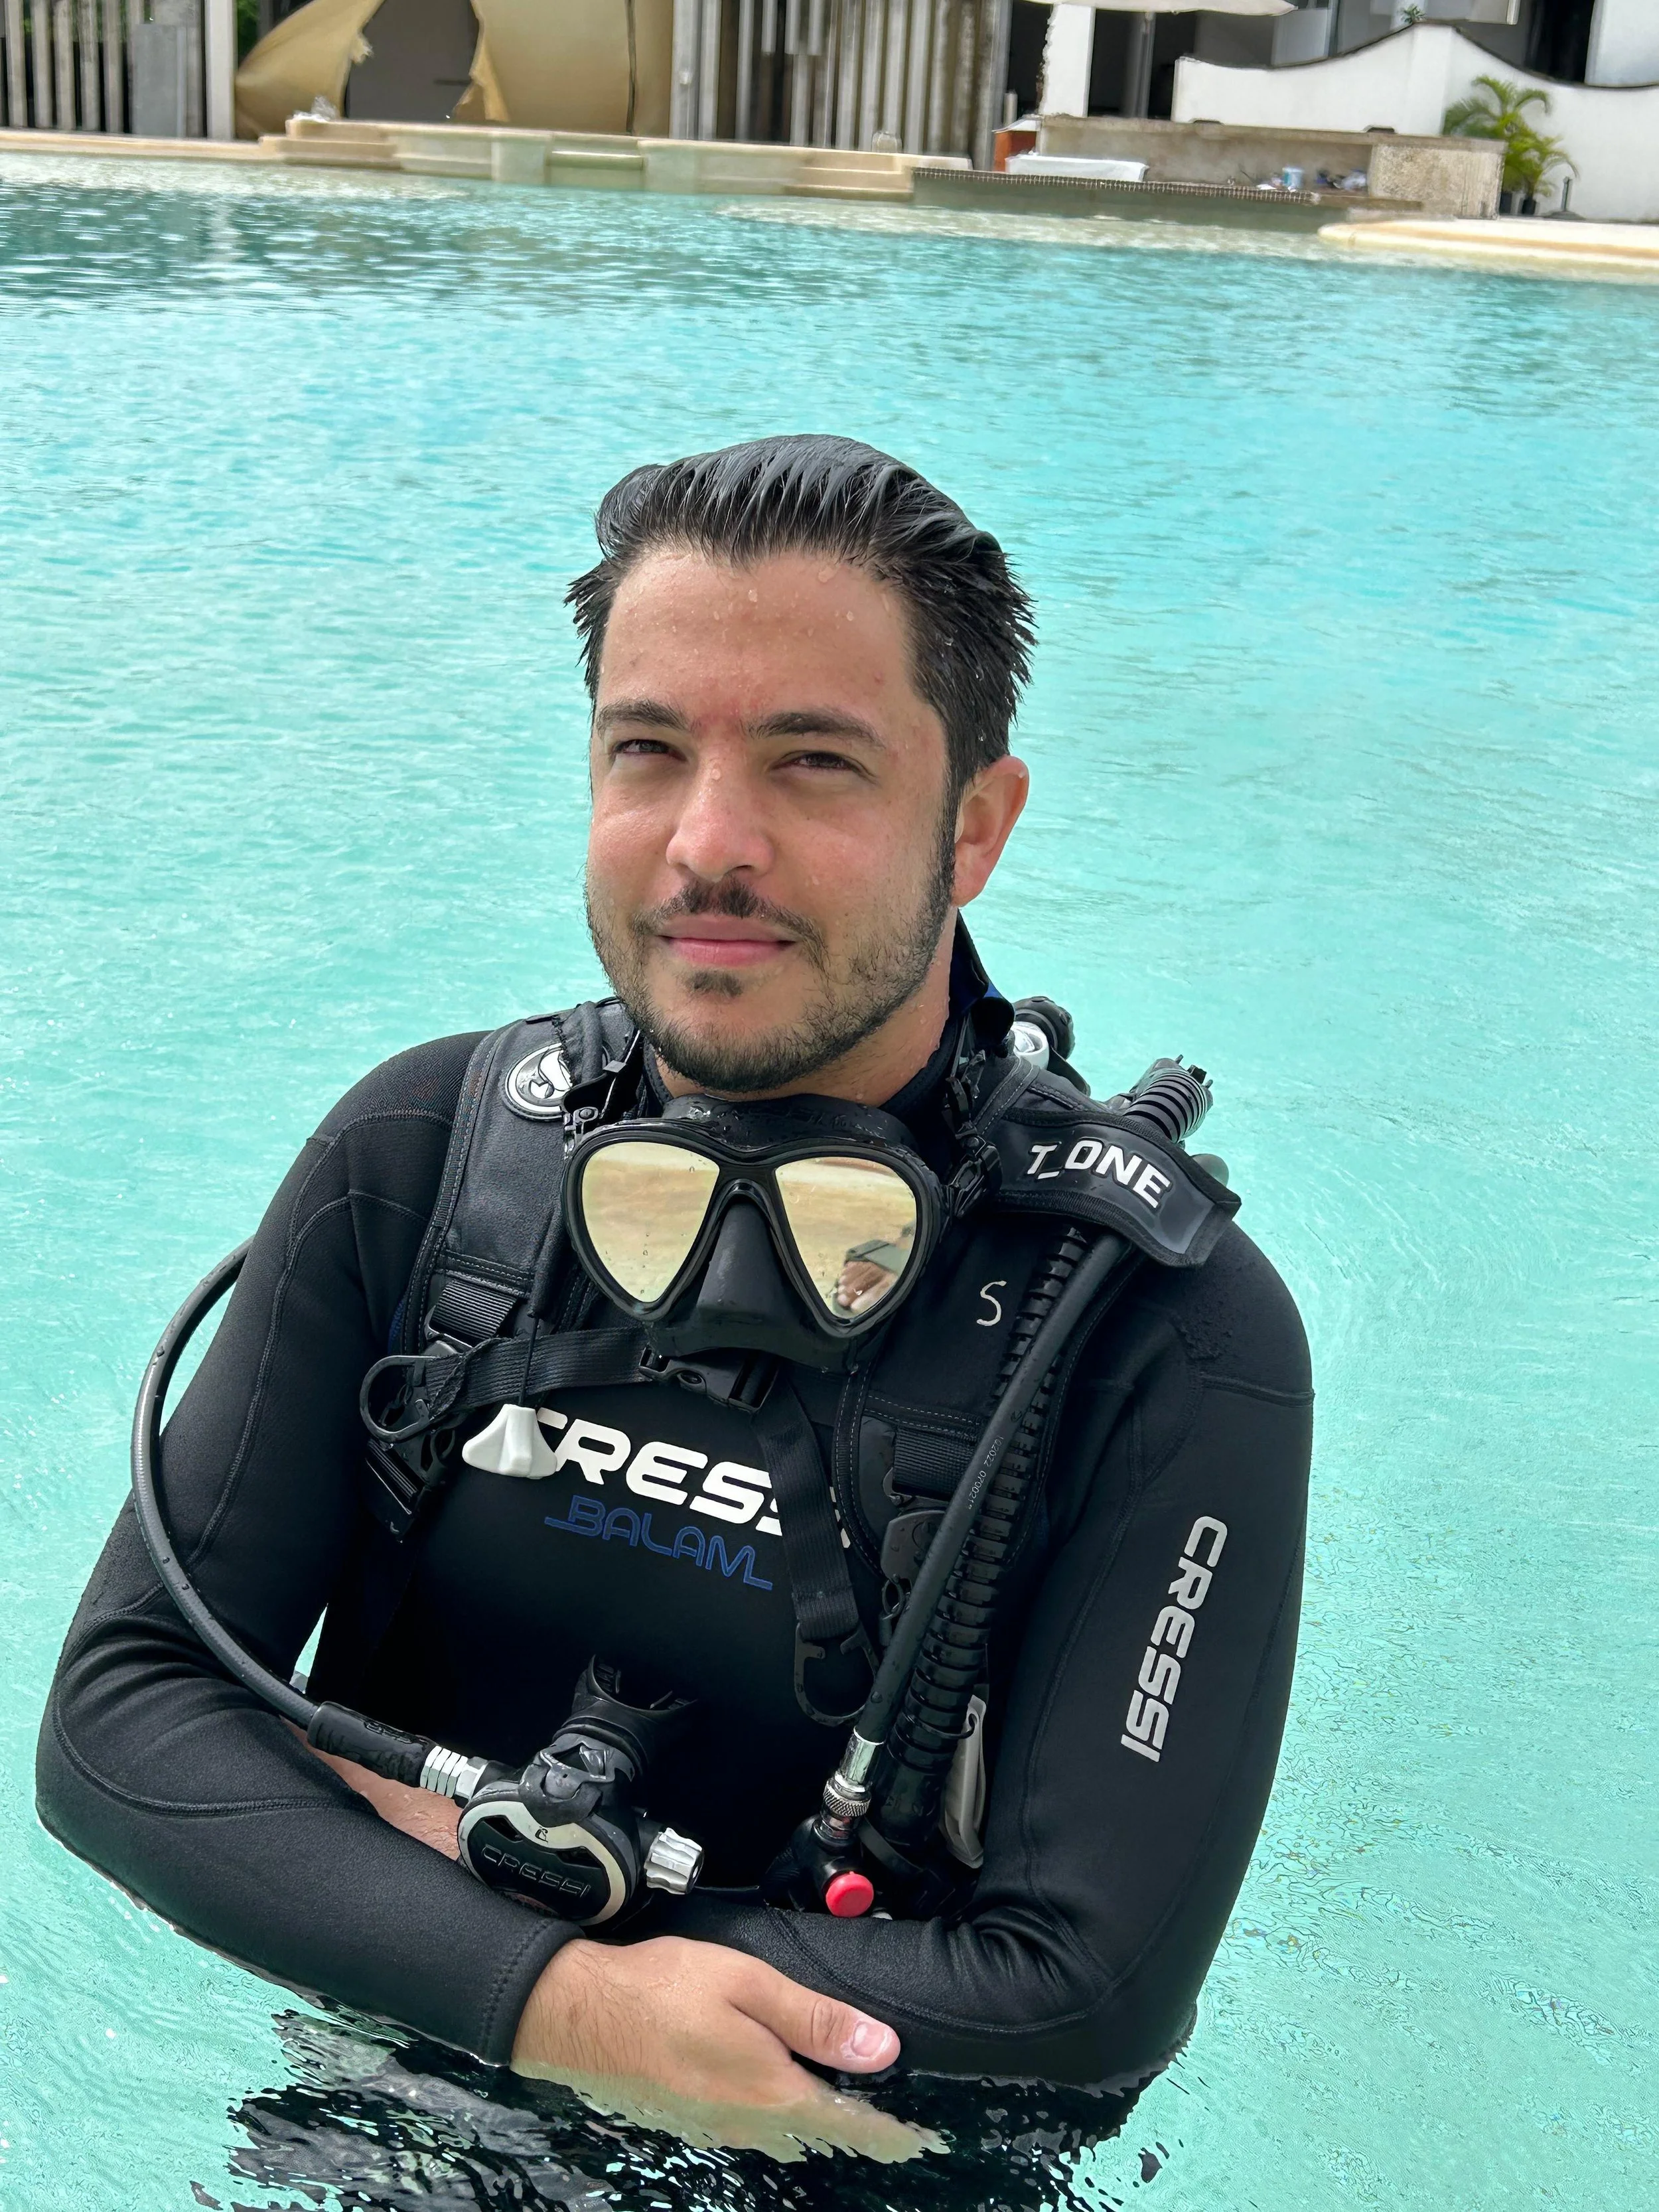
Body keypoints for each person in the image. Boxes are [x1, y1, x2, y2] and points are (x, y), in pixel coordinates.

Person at [37, 435, 1313, 2164]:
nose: (709, 842)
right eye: (648, 750)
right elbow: (119, 1722)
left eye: (813, 763)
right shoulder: (428, 1159)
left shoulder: (1160, 1328)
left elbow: (1084, 1993)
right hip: (385, 2124)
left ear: (977, 825)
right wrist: (564, 2003)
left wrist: (419, 1895)